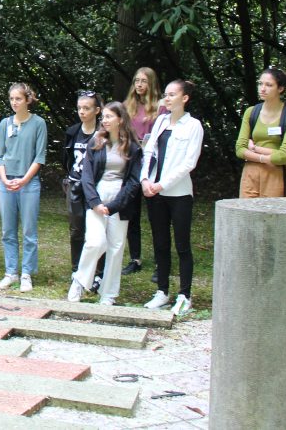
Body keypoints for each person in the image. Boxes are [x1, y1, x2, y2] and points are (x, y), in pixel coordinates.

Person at [67, 101, 141, 306]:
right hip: (97, 198)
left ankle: (108, 294)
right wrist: (95, 202)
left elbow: (134, 182)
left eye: (109, 116)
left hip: (120, 201)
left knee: (116, 247)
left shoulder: (133, 147)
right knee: (95, 242)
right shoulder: (95, 142)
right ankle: (80, 281)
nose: (105, 120)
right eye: (104, 117)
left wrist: (115, 205)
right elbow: (87, 177)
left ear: (120, 119)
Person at [142, 80, 204, 315]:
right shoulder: (160, 121)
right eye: (165, 95)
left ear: (184, 98)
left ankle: (185, 295)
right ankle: (162, 291)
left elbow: (189, 163)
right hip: (154, 192)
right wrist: (145, 180)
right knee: (160, 243)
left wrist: (161, 184)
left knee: (182, 244)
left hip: (178, 194)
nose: (166, 99)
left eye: (172, 95)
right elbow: (149, 151)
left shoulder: (193, 126)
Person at [0, 83, 47, 293]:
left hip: (29, 183)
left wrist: (24, 179)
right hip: (7, 183)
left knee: (28, 231)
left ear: (27, 99)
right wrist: (5, 179)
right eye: (12, 99)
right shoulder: (4, 123)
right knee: (8, 231)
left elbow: (40, 156)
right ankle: (11, 272)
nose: (14, 103)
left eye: (18, 99)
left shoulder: (38, 123)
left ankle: (26, 273)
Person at [120, 67, 166, 276]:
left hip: (151, 164)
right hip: (131, 162)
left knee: (157, 216)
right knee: (132, 213)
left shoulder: (161, 108)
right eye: (136, 80)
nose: (139, 85)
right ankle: (135, 258)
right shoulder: (126, 106)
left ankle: (160, 263)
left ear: (152, 83)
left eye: (144, 81)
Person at [235, 67, 286, 198]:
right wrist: (267, 158)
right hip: (250, 173)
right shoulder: (251, 112)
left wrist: (254, 149)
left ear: (280, 88)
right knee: (248, 215)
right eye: (260, 84)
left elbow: (284, 156)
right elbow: (239, 149)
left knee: (272, 216)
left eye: (269, 85)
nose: (262, 88)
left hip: (275, 174)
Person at [62, 91, 102, 275]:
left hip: (96, 187)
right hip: (75, 185)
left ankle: (99, 271)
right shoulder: (72, 132)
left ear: (97, 110)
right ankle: (76, 269)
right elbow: (66, 159)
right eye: (79, 108)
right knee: (76, 230)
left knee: (97, 232)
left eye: (87, 108)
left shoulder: (103, 134)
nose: (82, 112)